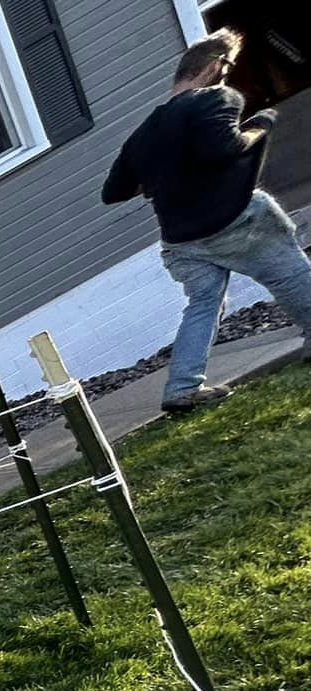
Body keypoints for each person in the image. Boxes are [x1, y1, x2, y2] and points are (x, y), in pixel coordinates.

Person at [103, 29, 311, 412]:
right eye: (228, 69)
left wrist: (165, 172)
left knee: (203, 305)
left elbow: (113, 192)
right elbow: (226, 148)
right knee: (292, 275)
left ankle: (182, 387)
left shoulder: (142, 135)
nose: (229, 78)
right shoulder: (217, 98)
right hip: (236, 222)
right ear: (217, 66)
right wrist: (262, 123)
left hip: (183, 241)